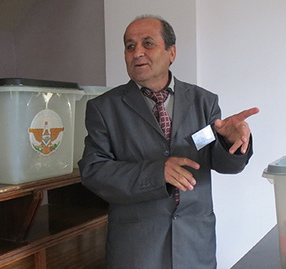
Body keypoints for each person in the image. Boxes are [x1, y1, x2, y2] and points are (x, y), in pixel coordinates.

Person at [79, 14, 259, 269]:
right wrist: (156, 172)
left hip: (196, 244)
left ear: (171, 52)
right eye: (130, 46)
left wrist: (231, 142)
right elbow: (93, 171)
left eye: (148, 43)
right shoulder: (104, 108)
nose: (137, 52)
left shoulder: (204, 101)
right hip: (137, 248)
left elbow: (224, 164)